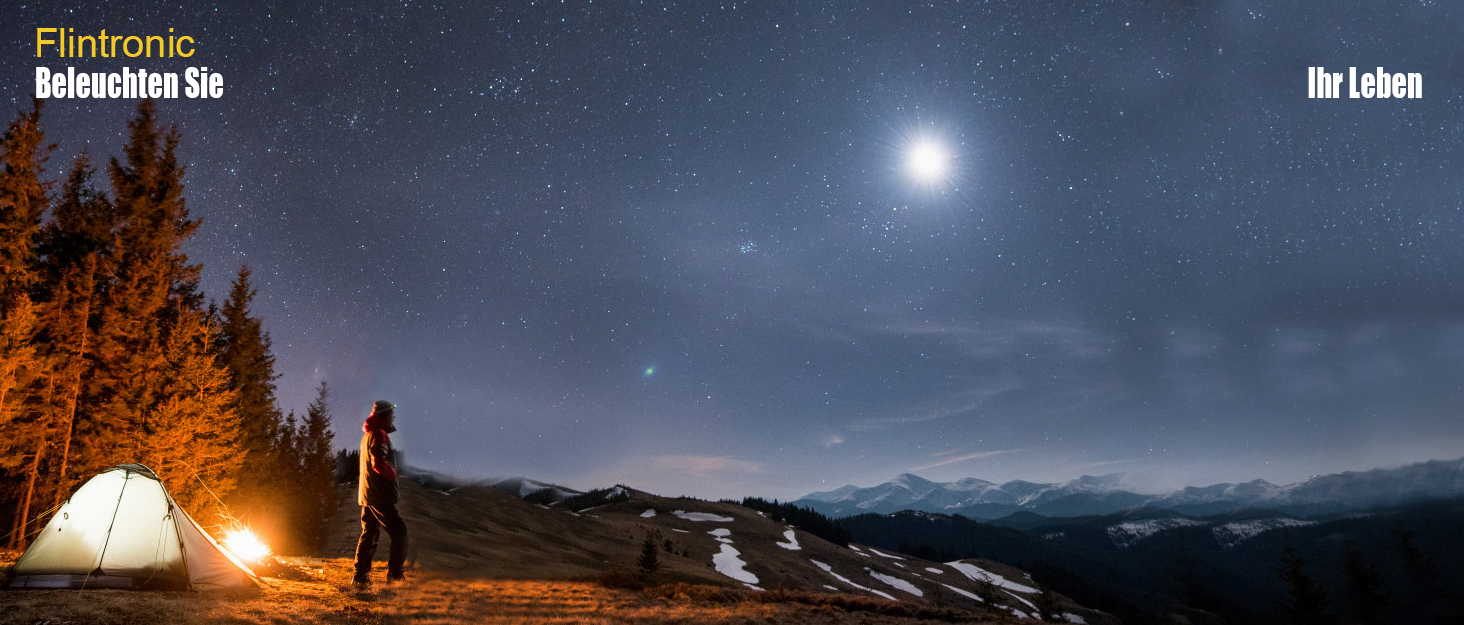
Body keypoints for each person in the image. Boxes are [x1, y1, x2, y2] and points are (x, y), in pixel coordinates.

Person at [353, 400, 408, 589]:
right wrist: (392, 474)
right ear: (384, 416)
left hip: (367, 494)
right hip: (380, 494)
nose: (394, 417)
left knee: (369, 533)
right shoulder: (379, 435)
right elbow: (378, 462)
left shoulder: (366, 436)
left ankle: (360, 578)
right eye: (391, 414)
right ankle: (395, 576)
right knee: (399, 531)